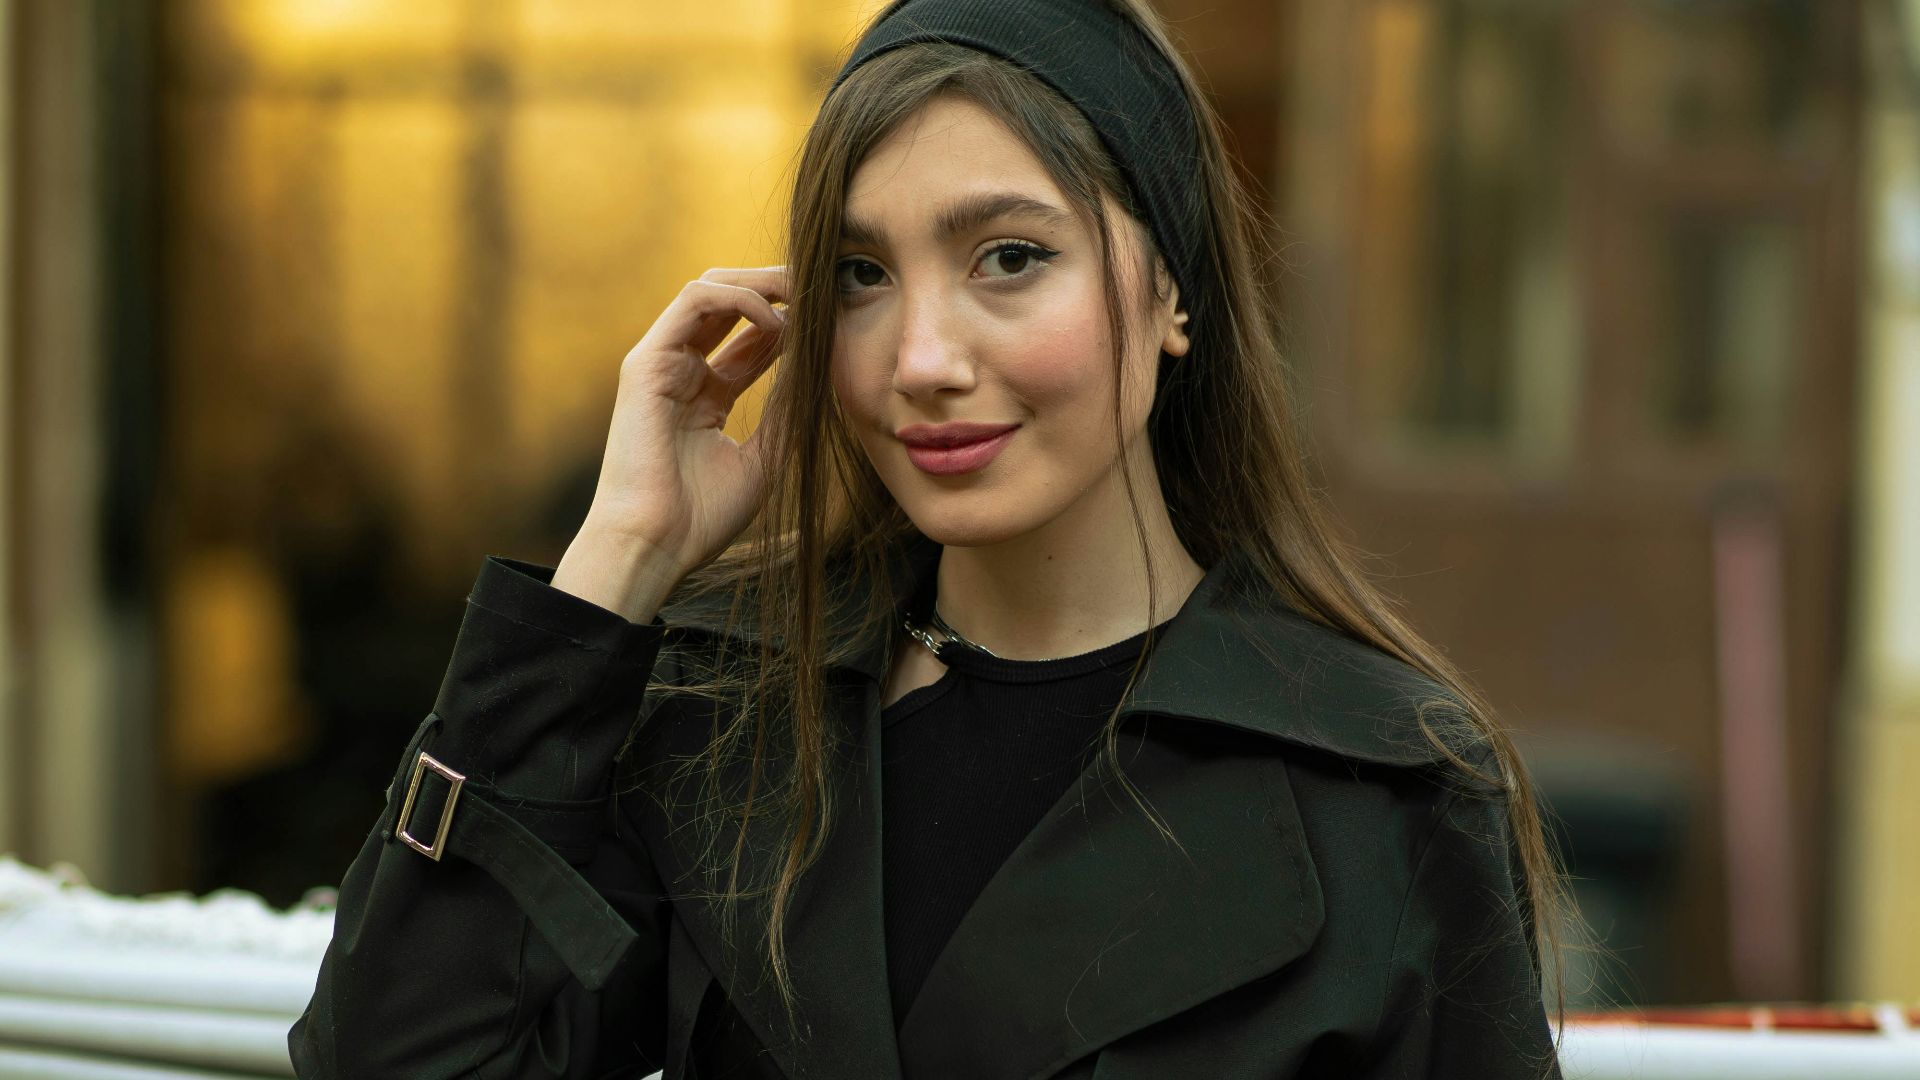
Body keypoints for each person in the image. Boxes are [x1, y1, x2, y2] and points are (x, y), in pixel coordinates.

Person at [288, 0, 1569, 1076]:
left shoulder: (1382, 784)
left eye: (1008, 257)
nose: (922, 360)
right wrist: (615, 564)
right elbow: (400, 1055)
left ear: (1172, 288)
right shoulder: (725, 709)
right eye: (859, 274)